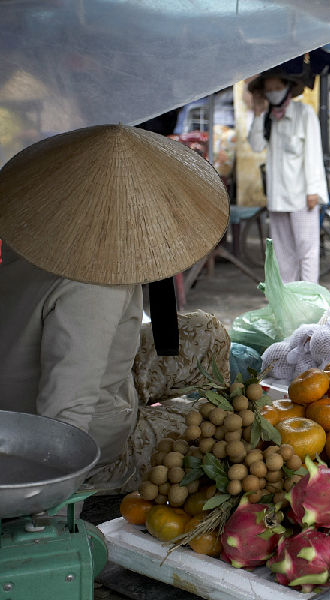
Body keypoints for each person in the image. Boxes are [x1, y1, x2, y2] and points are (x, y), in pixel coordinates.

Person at [0, 124, 231, 493]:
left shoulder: (35, 237)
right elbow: (65, 408)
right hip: (66, 429)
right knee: (217, 429)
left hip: (45, 373)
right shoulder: (93, 285)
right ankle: (111, 469)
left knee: (206, 330)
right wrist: (54, 498)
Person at [248, 70, 328, 284]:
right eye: (269, 90)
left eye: (277, 88)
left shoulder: (304, 113)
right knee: (283, 255)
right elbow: (256, 145)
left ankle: (309, 298)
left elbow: (313, 153)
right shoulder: (267, 118)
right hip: (277, 197)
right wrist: (257, 113)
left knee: (307, 252)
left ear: (287, 88)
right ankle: (288, 301)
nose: (273, 93)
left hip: (302, 197)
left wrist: (314, 190)